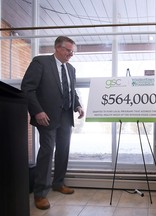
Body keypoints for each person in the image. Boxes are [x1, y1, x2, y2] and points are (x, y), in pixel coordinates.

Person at [21, 36, 84, 210]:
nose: (71, 55)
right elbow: (27, 88)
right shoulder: (40, 62)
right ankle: (40, 193)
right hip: (46, 115)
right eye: (68, 51)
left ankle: (58, 183)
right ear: (57, 48)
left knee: (63, 150)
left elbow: (71, 91)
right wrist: (37, 111)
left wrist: (77, 105)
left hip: (65, 115)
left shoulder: (71, 69)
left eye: (73, 52)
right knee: (47, 151)